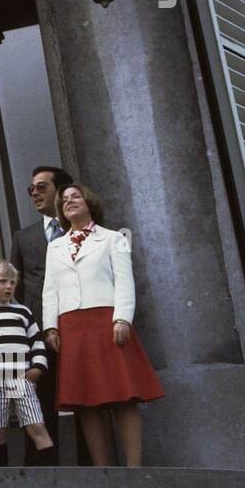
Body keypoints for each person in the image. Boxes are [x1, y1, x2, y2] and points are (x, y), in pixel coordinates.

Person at [43, 181, 164, 468]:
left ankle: (134, 467)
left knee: (123, 394)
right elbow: (50, 290)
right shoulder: (55, 247)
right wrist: (51, 327)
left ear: (89, 203)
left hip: (105, 320)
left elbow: (124, 281)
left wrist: (122, 318)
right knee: (86, 399)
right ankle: (103, 469)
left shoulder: (113, 238)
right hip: (71, 325)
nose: (69, 201)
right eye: (64, 200)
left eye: (76, 197)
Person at [8, 165, 76, 462]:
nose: (34, 192)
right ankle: (41, 468)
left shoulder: (81, 228)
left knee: (83, 393)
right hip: (38, 329)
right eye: (30, 188)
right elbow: (15, 285)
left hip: (78, 321)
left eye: (41, 187)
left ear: (60, 191)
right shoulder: (24, 237)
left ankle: (93, 466)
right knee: (37, 398)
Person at [0, 259, 55, 467]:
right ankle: (2, 477)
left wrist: (38, 367)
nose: (9, 286)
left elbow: (37, 343)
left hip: (21, 378)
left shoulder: (23, 313)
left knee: (36, 425)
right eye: (2, 281)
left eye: (12, 282)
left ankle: (54, 473)